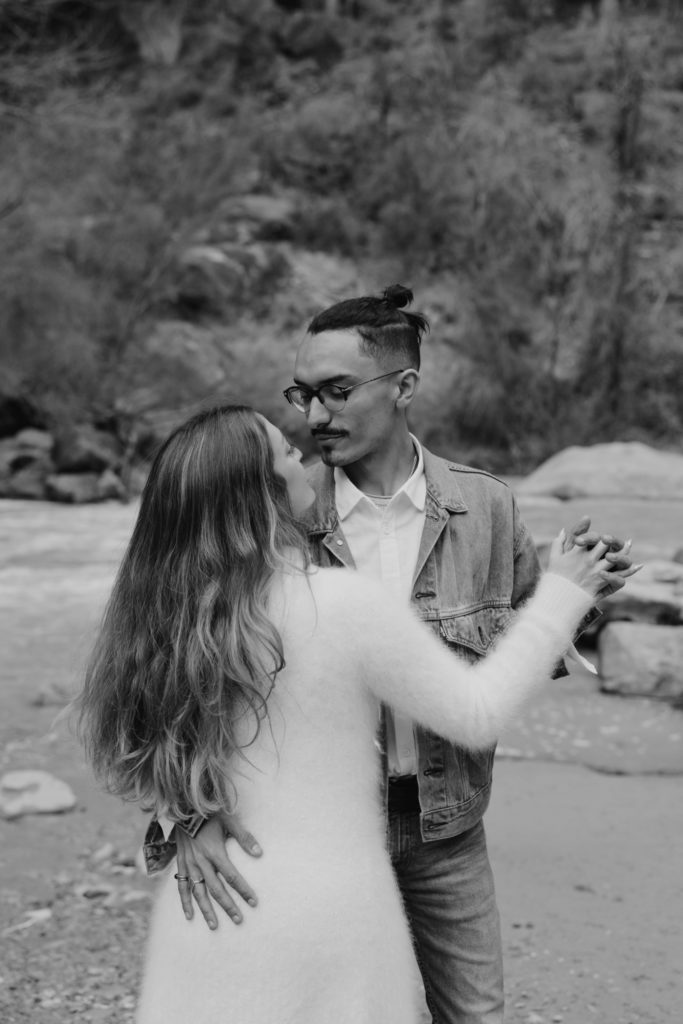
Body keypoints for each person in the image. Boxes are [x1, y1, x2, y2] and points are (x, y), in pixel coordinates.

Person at [77, 403, 634, 1024]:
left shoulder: (174, 618)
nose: (304, 456)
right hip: (331, 919)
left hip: (215, 910)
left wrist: (185, 818)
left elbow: (151, 740)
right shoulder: (338, 605)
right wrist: (564, 590)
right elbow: (476, 712)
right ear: (261, 494)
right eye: (286, 454)